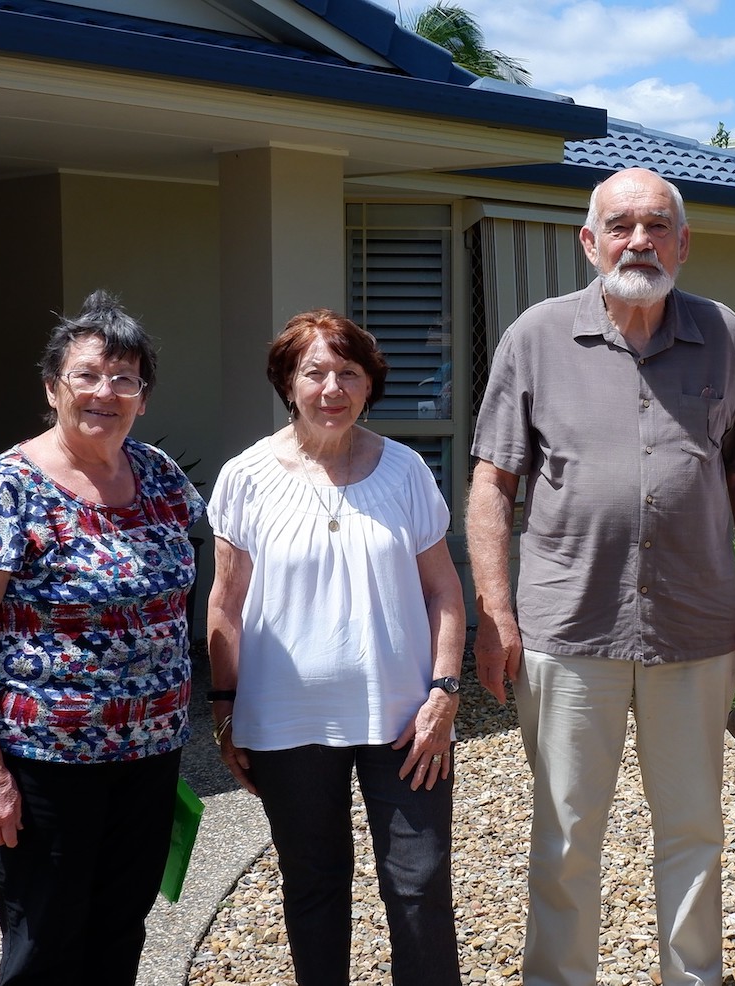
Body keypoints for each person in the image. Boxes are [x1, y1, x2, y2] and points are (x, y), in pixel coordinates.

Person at [466, 166, 735, 986]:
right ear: (590, 241)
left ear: (683, 243)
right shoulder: (534, 337)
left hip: (697, 627)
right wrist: (494, 611)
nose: (638, 241)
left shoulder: (725, 335)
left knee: (693, 830)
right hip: (568, 629)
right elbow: (491, 483)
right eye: (620, 226)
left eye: (655, 226)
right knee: (568, 833)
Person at [207, 309, 466, 986]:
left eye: (347, 372)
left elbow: (443, 592)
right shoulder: (247, 476)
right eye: (313, 371)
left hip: (406, 722)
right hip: (286, 724)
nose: (332, 388)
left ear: (369, 383)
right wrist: (225, 709)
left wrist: (443, 692)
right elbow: (225, 606)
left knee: (420, 887)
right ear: (288, 383)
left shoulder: (406, 471)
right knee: (313, 888)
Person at [0, 290, 204, 985]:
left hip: (150, 756)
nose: (106, 392)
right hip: (47, 766)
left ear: (143, 397)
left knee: (119, 930)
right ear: (52, 387)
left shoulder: (159, 476)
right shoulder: (7, 490)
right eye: (87, 375)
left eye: (125, 378)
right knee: (45, 944)